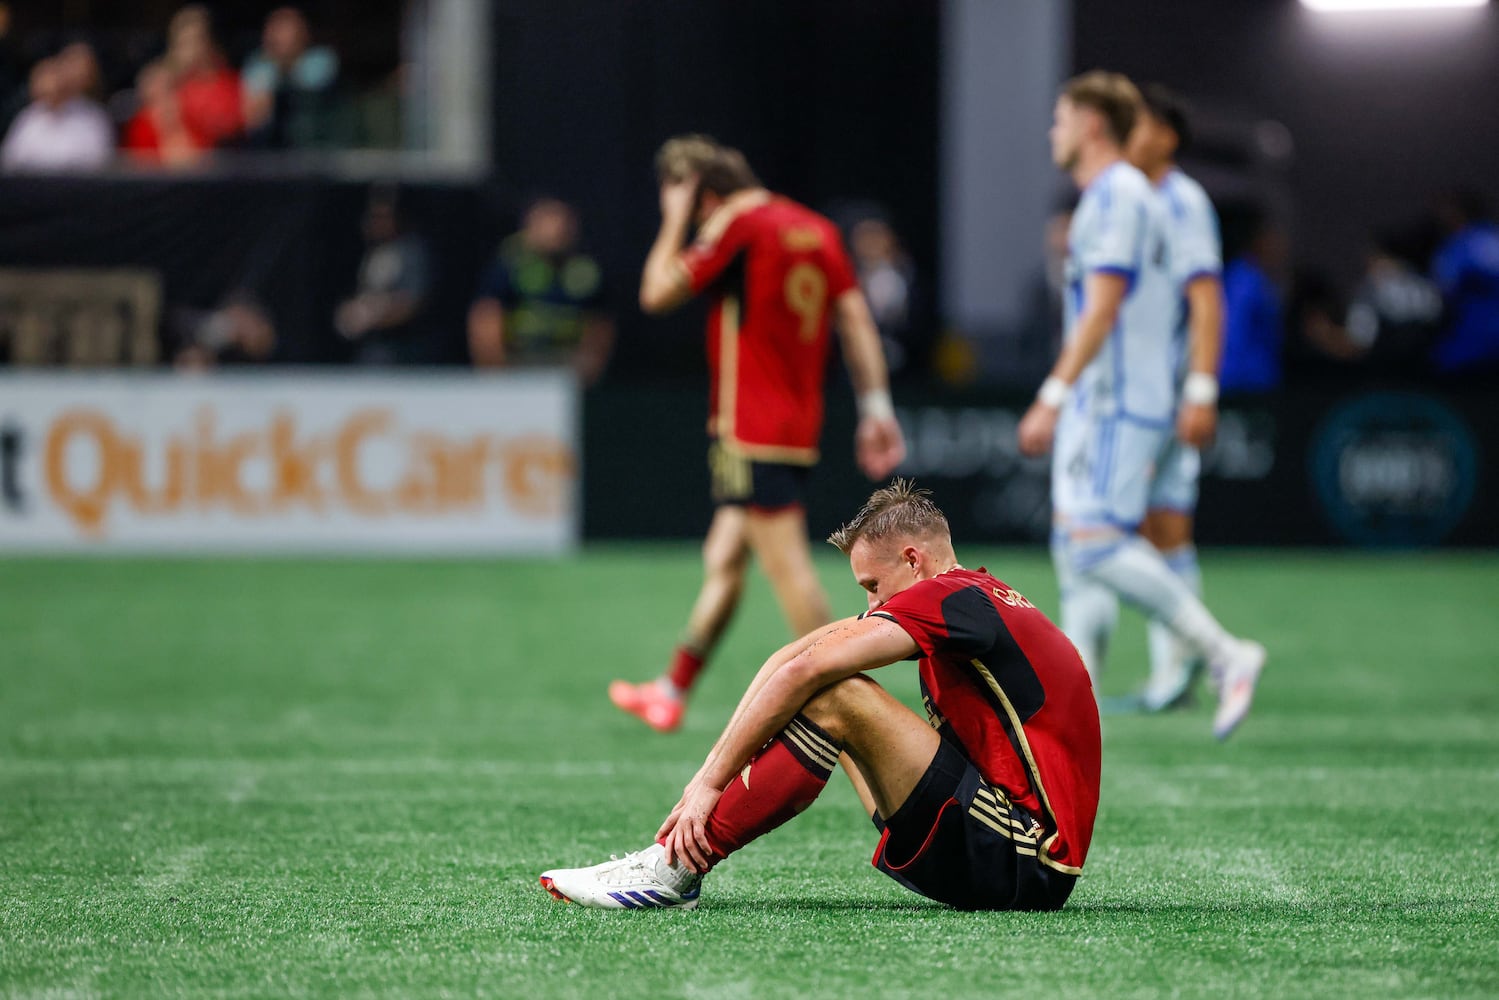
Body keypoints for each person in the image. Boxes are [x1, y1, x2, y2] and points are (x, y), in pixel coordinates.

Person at [541, 481, 1099, 911]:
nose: (874, 606)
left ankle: (675, 868)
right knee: (827, 683)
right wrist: (707, 774)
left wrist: (707, 784)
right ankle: (675, 861)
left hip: (1023, 857)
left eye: (873, 588)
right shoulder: (973, 594)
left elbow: (804, 670)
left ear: (913, 560)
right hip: (1006, 844)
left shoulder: (948, 597)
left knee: (838, 695)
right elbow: (789, 657)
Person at [607, 135, 906, 733]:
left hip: (751, 431)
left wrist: (672, 222)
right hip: (794, 425)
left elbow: (655, 292)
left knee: (789, 570)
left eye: (694, 208)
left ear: (707, 194)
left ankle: (853, 702)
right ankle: (671, 690)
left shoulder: (738, 224)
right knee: (723, 557)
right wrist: (876, 407)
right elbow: (855, 320)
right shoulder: (816, 229)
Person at [1016, 71, 1264, 741]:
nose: (1052, 132)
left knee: (1095, 544)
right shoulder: (1131, 194)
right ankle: (1078, 694)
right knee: (1075, 540)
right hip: (1121, 395)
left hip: (1116, 399)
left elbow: (1102, 311)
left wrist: (1052, 394)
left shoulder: (1118, 197)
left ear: (1092, 124)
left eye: (1060, 118)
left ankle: (1221, 655)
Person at [1107, 83, 1226, 713]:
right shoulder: (1134, 197)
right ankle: (1175, 674)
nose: (1129, 135)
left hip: (1166, 395)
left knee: (1152, 531)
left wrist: (1200, 388)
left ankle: (1182, 672)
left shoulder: (1182, 202)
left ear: (1169, 136)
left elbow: (1206, 300)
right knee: (1156, 531)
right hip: (1140, 394)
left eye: (1142, 125)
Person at [467, 197, 613, 385]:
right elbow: (485, 318)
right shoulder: (510, 266)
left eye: (563, 225)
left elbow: (601, 326)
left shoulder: (587, 271)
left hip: (566, 369)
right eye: (548, 225)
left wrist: (587, 372)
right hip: (516, 366)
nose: (557, 232)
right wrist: (497, 376)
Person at [334, 187, 432, 365]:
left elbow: (414, 302)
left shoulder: (411, 251)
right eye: (373, 217)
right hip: (371, 348)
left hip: (402, 349)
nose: (376, 224)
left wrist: (370, 317)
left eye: (383, 217)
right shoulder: (372, 251)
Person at [242, 6, 343, 150]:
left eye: (286, 29)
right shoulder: (258, 64)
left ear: (303, 32)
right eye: (275, 29)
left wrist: (281, 65)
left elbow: (307, 95)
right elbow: (255, 116)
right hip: (272, 148)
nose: (279, 37)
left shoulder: (322, 59)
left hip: (317, 143)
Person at [0, 47, 113, 173]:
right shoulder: (29, 118)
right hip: (32, 188)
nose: (52, 93)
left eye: (57, 88)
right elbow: (10, 159)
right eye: (45, 92)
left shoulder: (92, 116)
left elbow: (99, 160)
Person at [1429, 189, 1499, 378]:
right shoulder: (1494, 238)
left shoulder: (1458, 248)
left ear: (1457, 213)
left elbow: (1442, 294)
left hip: (1470, 348)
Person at [1220, 213, 1288, 395]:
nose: (1280, 245)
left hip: (1258, 381)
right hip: (1241, 387)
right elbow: (1232, 333)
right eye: (1274, 237)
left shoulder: (1257, 276)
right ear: (1258, 240)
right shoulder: (1243, 279)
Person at [166, 5, 244, 150]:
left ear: (210, 43)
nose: (185, 51)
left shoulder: (231, 87)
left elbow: (229, 130)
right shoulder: (164, 90)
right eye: (180, 43)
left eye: (192, 42)